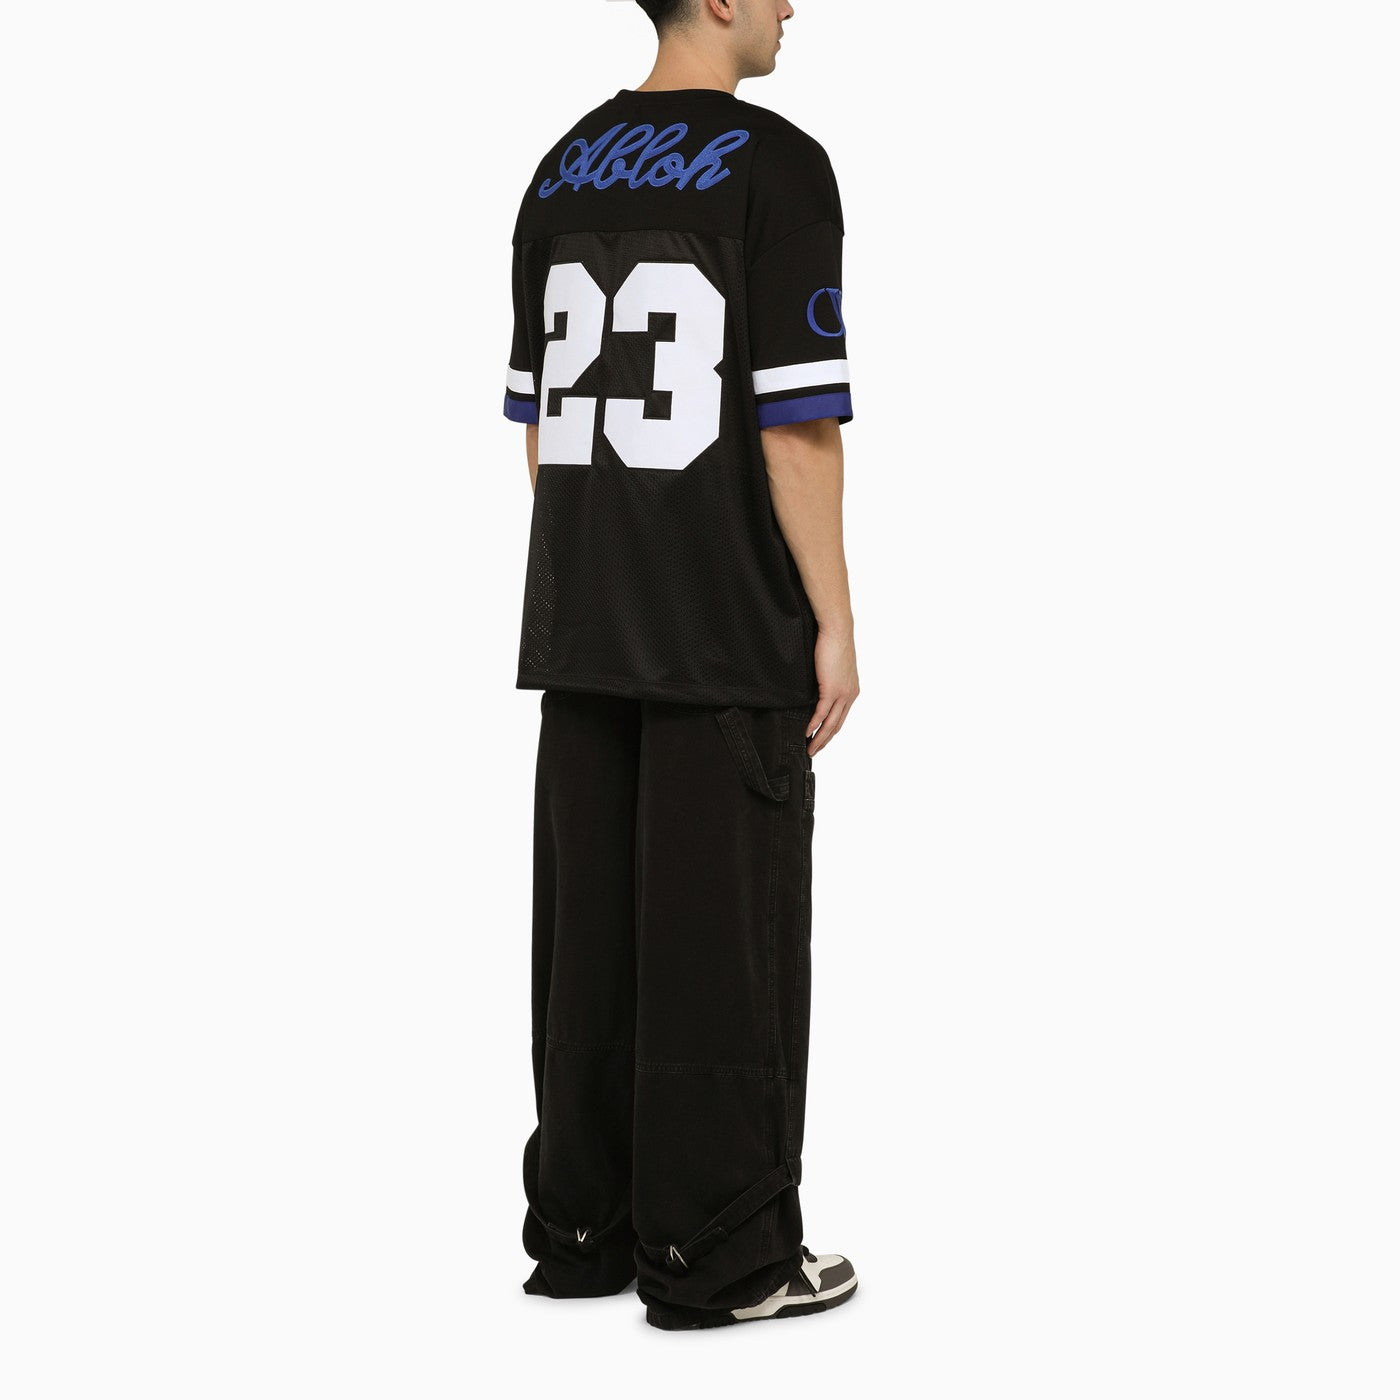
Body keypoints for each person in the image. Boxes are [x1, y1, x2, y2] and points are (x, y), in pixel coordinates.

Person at [501, 0, 860, 1330]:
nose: (791, 4)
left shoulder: (559, 169)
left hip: (585, 622)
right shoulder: (780, 168)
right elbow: (795, 429)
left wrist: (608, 570)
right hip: (723, 624)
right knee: (723, 943)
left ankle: (584, 1226)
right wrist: (833, 618)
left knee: (589, 948)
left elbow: (538, 428)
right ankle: (724, 1253)